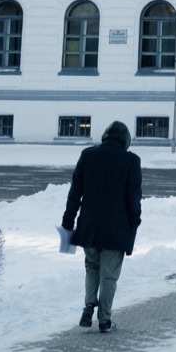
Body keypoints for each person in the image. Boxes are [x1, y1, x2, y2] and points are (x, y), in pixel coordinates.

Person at [62, 119, 143, 333]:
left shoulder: (88, 156)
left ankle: (89, 305)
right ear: (125, 140)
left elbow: (75, 193)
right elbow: (133, 199)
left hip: (89, 227)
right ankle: (104, 320)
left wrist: (68, 222)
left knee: (91, 266)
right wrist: (134, 223)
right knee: (109, 274)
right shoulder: (131, 161)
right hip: (116, 229)